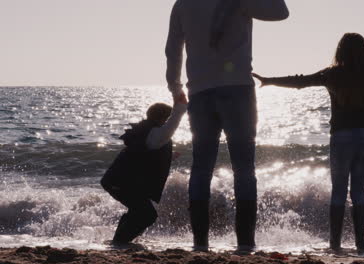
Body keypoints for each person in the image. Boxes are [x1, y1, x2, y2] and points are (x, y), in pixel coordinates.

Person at [165, 0, 289, 252]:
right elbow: (281, 11)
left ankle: (200, 242)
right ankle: (245, 242)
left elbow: (172, 49)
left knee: (201, 168)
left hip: (200, 92)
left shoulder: (183, 4)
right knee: (244, 169)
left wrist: (175, 87)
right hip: (238, 90)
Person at [253, 33, 364, 253]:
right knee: (359, 192)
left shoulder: (332, 74)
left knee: (338, 190)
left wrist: (269, 81)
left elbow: (301, 81)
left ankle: (334, 245)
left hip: (341, 136)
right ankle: (361, 246)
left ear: (340, 51)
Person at [101, 95, 187, 245]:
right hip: (120, 182)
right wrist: (180, 109)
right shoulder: (154, 133)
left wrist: (169, 157)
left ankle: (118, 242)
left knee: (138, 211)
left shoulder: (148, 131)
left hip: (122, 181)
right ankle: (120, 242)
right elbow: (151, 144)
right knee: (147, 215)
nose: (169, 125)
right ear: (163, 119)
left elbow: (144, 153)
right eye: (168, 119)